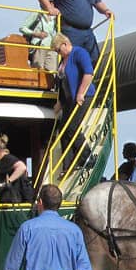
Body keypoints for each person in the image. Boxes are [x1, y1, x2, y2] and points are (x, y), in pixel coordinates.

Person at [51, 33, 95, 169]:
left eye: (58, 50)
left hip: (83, 96)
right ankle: (68, 164)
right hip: (69, 99)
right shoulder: (63, 61)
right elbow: (62, 82)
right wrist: (60, 102)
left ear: (64, 44)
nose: (59, 53)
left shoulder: (79, 53)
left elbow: (88, 73)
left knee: (72, 128)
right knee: (63, 130)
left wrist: (81, 93)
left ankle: (87, 157)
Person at [0, 134, 31, 203]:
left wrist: (7, 182)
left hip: (10, 206)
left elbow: (22, 167)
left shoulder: (7, 159)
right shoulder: (2, 163)